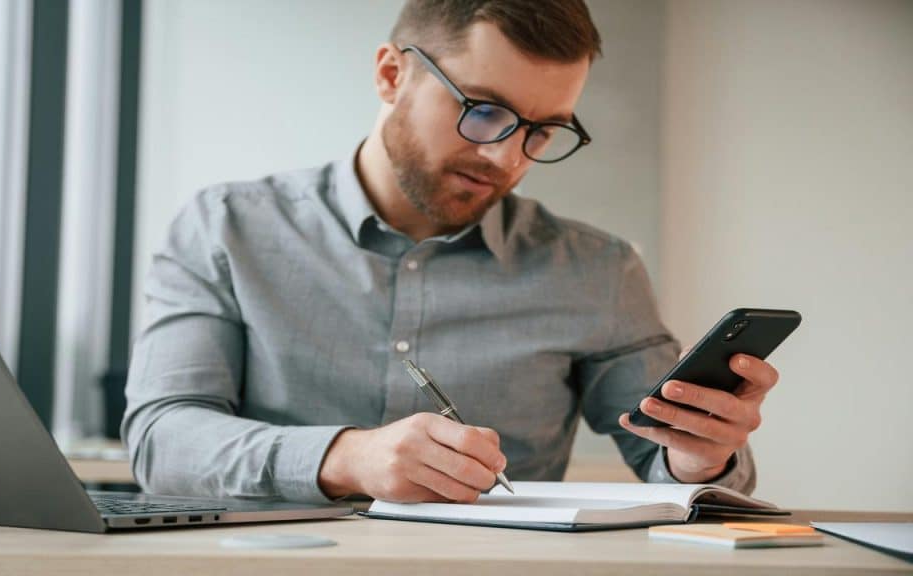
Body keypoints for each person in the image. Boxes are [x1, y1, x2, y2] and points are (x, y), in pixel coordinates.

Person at [122, 0, 779, 505]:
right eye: (485, 111)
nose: (506, 156)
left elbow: (677, 471)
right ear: (390, 74)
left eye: (542, 130)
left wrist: (700, 458)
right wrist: (348, 457)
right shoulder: (226, 227)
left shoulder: (598, 271)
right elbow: (161, 440)